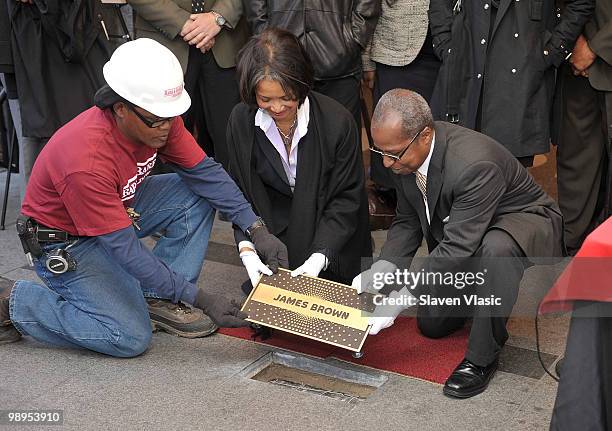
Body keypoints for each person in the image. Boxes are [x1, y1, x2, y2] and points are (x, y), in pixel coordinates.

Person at [0, 39, 288, 355]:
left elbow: (207, 174)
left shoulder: (155, 118)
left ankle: (156, 296)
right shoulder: (85, 162)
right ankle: (12, 301)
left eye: (171, 116)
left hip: (118, 210)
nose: (167, 127)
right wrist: (200, 298)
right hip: (67, 241)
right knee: (128, 336)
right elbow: (126, 250)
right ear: (121, 109)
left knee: (197, 193)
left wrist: (255, 228)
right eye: (157, 120)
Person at [352, 89, 564, 398]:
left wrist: (403, 295)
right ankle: (482, 290)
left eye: (394, 154)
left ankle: (481, 359)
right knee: (432, 326)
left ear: (425, 136)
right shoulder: (401, 152)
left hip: (525, 221)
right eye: (379, 151)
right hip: (467, 229)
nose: (386, 162)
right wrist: (384, 268)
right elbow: (408, 220)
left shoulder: (474, 164)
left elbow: (457, 246)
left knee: (496, 248)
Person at [226, 28, 372, 289]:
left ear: (302, 84)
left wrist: (319, 257)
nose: (277, 108)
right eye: (265, 99)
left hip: (332, 231)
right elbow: (239, 192)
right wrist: (247, 247)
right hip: (275, 225)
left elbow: (346, 198)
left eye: (286, 97)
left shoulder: (337, 122)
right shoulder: (241, 121)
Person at [428, 0, 594, 167]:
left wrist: (552, 50)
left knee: (508, 181)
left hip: (521, 78)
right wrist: (446, 44)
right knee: (451, 174)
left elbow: (580, 3)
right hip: (466, 70)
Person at [130, 0, 249, 169]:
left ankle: (231, 193)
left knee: (232, 140)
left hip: (226, 42)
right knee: (163, 141)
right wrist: (184, 24)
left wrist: (218, 17)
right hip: (164, 41)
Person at [242, 0, 381, 129]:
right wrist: (265, 34)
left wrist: (354, 38)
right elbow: (255, 7)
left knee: (341, 137)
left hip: (339, 63)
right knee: (287, 146)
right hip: (281, 61)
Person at [362, 0, 441, 192]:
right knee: (394, 128)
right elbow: (367, 5)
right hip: (395, 48)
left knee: (435, 132)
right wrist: (366, 60)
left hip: (448, 45)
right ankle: (394, 202)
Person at [553, 0, 612, 255]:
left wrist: (596, 48)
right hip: (576, 73)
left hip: (596, 54)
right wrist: (573, 43)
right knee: (576, 172)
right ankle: (570, 269)